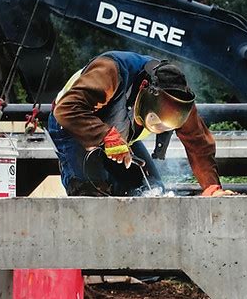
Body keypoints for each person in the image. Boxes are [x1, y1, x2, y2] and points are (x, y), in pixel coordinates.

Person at [48, 50, 234, 197]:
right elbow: (68, 109)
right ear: (144, 87)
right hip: (74, 124)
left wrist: (212, 187)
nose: (162, 125)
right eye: (159, 116)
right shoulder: (110, 71)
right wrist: (107, 136)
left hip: (120, 134)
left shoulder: (180, 103)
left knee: (151, 191)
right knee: (91, 191)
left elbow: (198, 142)